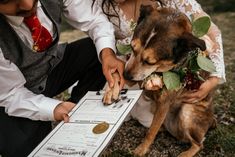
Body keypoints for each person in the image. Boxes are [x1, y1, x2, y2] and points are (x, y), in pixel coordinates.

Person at [0, 0, 125, 156]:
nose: (26, 4)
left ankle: (80, 111)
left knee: (97, 50)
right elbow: (10, 93)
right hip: (18, 88)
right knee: (27, 149)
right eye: (7, 0)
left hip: (53, 66)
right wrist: (53, 108)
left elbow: (94, 20)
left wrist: (107, 53)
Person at [93, 0, 226, 127]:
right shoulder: (97, 5)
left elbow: (211, 32)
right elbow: (101, 35)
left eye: (148, 60)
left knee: (157, 120)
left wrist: (214, 78)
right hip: (122, 62)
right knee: (109, 111)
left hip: (171, 76)